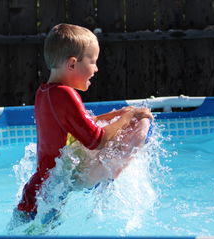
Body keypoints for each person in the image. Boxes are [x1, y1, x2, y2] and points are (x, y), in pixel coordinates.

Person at [16, 23, 154, 220]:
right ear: (72, 64)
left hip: (38, 194)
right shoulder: (65, 94)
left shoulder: (46, 92)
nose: (96, 69)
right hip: (44, 201)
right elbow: (96, 140)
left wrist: (117, 114)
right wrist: (129, 117)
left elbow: (82, 125)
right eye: (93, 62)